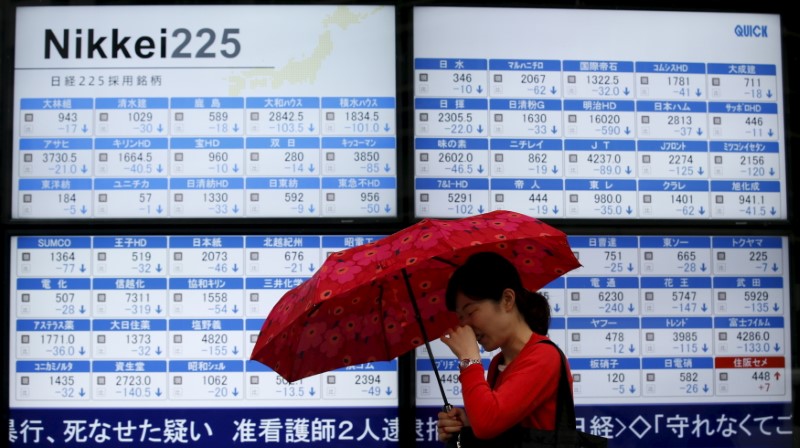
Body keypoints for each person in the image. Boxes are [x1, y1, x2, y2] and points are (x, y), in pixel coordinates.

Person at [437, 251, 570, 445]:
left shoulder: (544, 355)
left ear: (507, 299)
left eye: (470, 311)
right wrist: (466, 424)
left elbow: (488, 424)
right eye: (460, 317)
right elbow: (500, 427)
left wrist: (469, 360)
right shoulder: (497, 364)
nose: (465, 326)